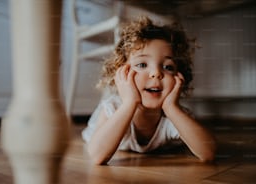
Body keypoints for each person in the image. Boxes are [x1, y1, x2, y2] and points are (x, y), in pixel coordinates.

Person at [81, 16, 216, 165]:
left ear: (179, 76)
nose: (156, 73)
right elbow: (96, 156)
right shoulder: (112, 108)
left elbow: (208, 153)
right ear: (122, 73)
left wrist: (171, 108)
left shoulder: (174, 116)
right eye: (142, 65)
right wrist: (129, 103)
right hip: (99, 131)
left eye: (168, 67)